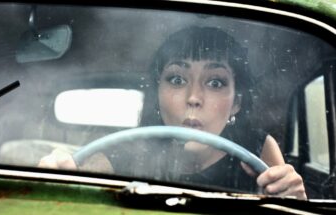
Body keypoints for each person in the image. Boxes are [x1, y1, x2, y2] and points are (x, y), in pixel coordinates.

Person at [38, 26, 306, 199]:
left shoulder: (257, 148)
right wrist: (59, 173)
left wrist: (296, 202)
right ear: (157, 94)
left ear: (236, 103)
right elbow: (79, 181)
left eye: (215, 82)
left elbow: (285, 201)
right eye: (177, 79)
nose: (193, 98)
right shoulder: (129, 148)